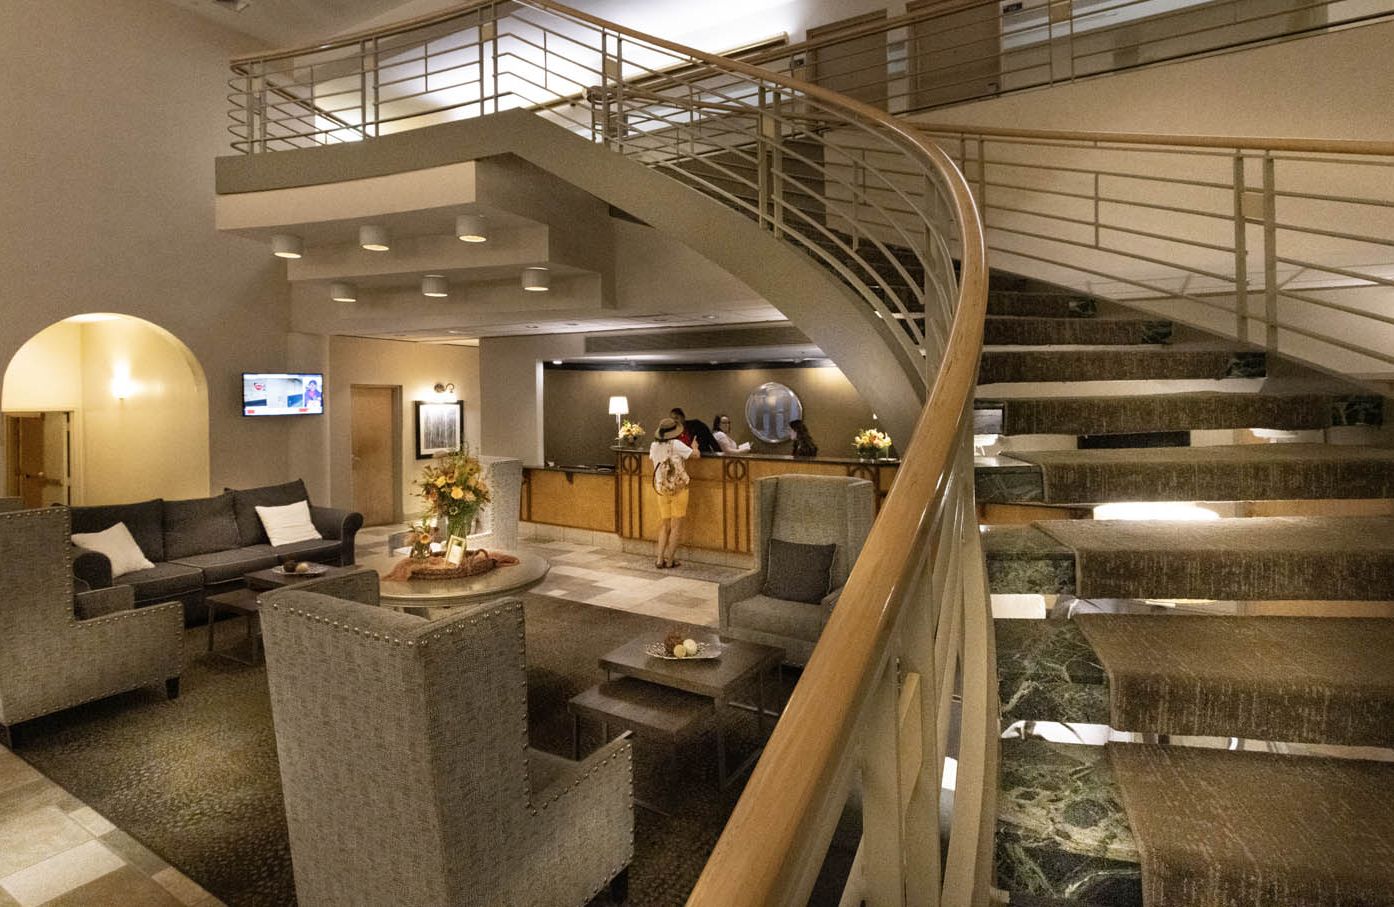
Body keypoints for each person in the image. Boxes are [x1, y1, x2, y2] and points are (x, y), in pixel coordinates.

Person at [650, 417, 698, 569]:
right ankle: (670, 560)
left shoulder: (653, 446)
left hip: (661, 489)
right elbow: (696, 456)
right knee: (676, 525)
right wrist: (694, 446)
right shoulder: (677, 444)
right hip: (678, 490)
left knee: (665, 525)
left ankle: (659, 559)